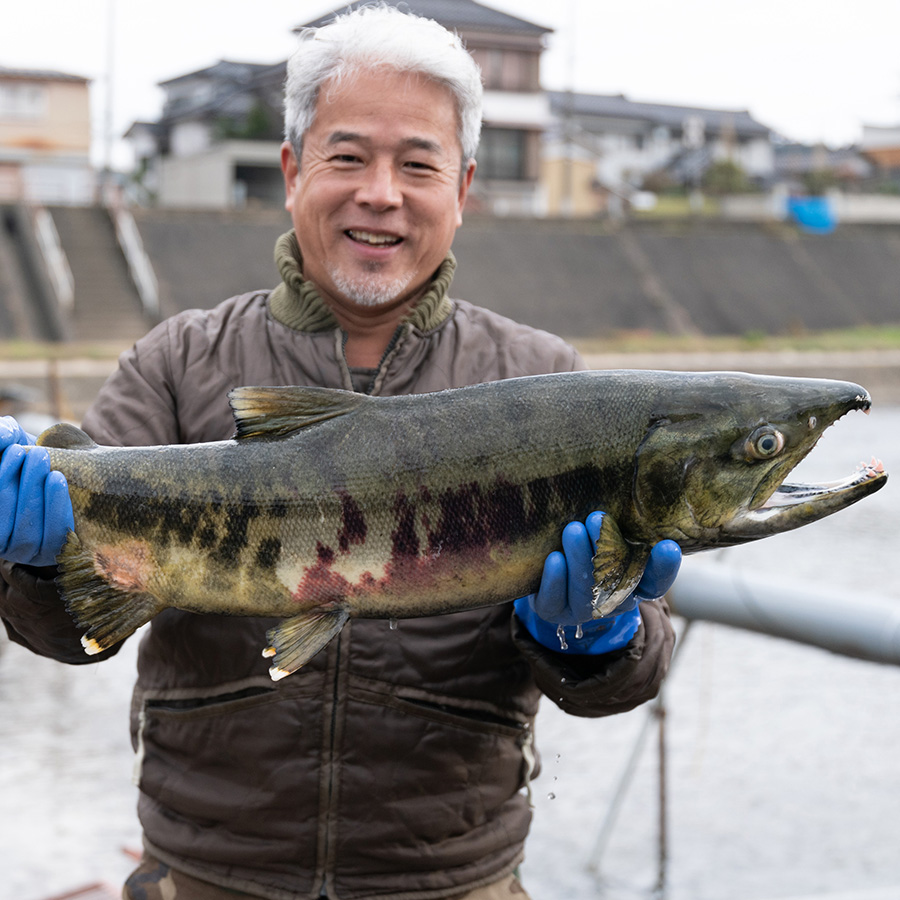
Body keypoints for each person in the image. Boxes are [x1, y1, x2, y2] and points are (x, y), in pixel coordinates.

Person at [0, 7, 680, 899]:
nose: (381, 193)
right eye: (348, 156)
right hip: (205, 872)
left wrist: (595, 640)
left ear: (464, 188)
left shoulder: (543, 380)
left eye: (418, 165)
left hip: (452, 877)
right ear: (294, 172)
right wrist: (36, 570)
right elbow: (72, 631)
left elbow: (620, 682)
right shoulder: (179, 362)